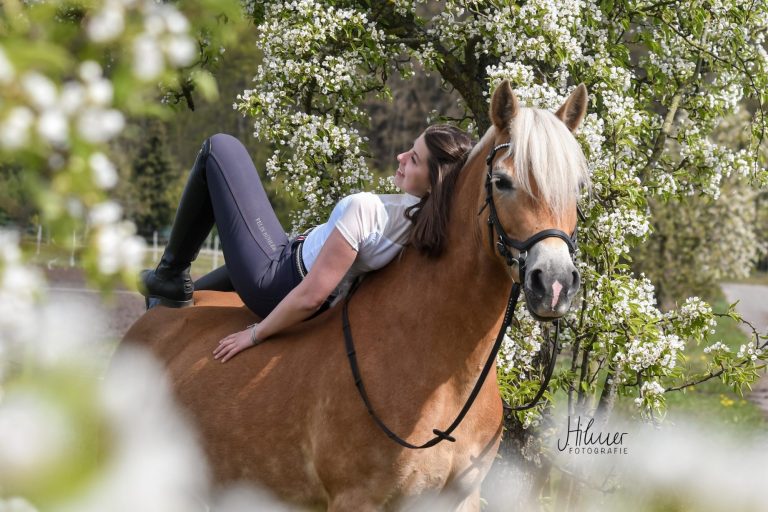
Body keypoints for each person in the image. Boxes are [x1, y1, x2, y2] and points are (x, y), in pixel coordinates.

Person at [138, 125, 472, 362]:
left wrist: (254, 335)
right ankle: (169, 298)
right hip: (290, 254)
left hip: (276, 279)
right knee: (191, 298)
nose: (400, 156)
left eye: (413, 159)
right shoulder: (425, 222)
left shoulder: (368, 211)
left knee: (221, 148)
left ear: (435, 182)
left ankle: (169, 273)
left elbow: (311, 296)